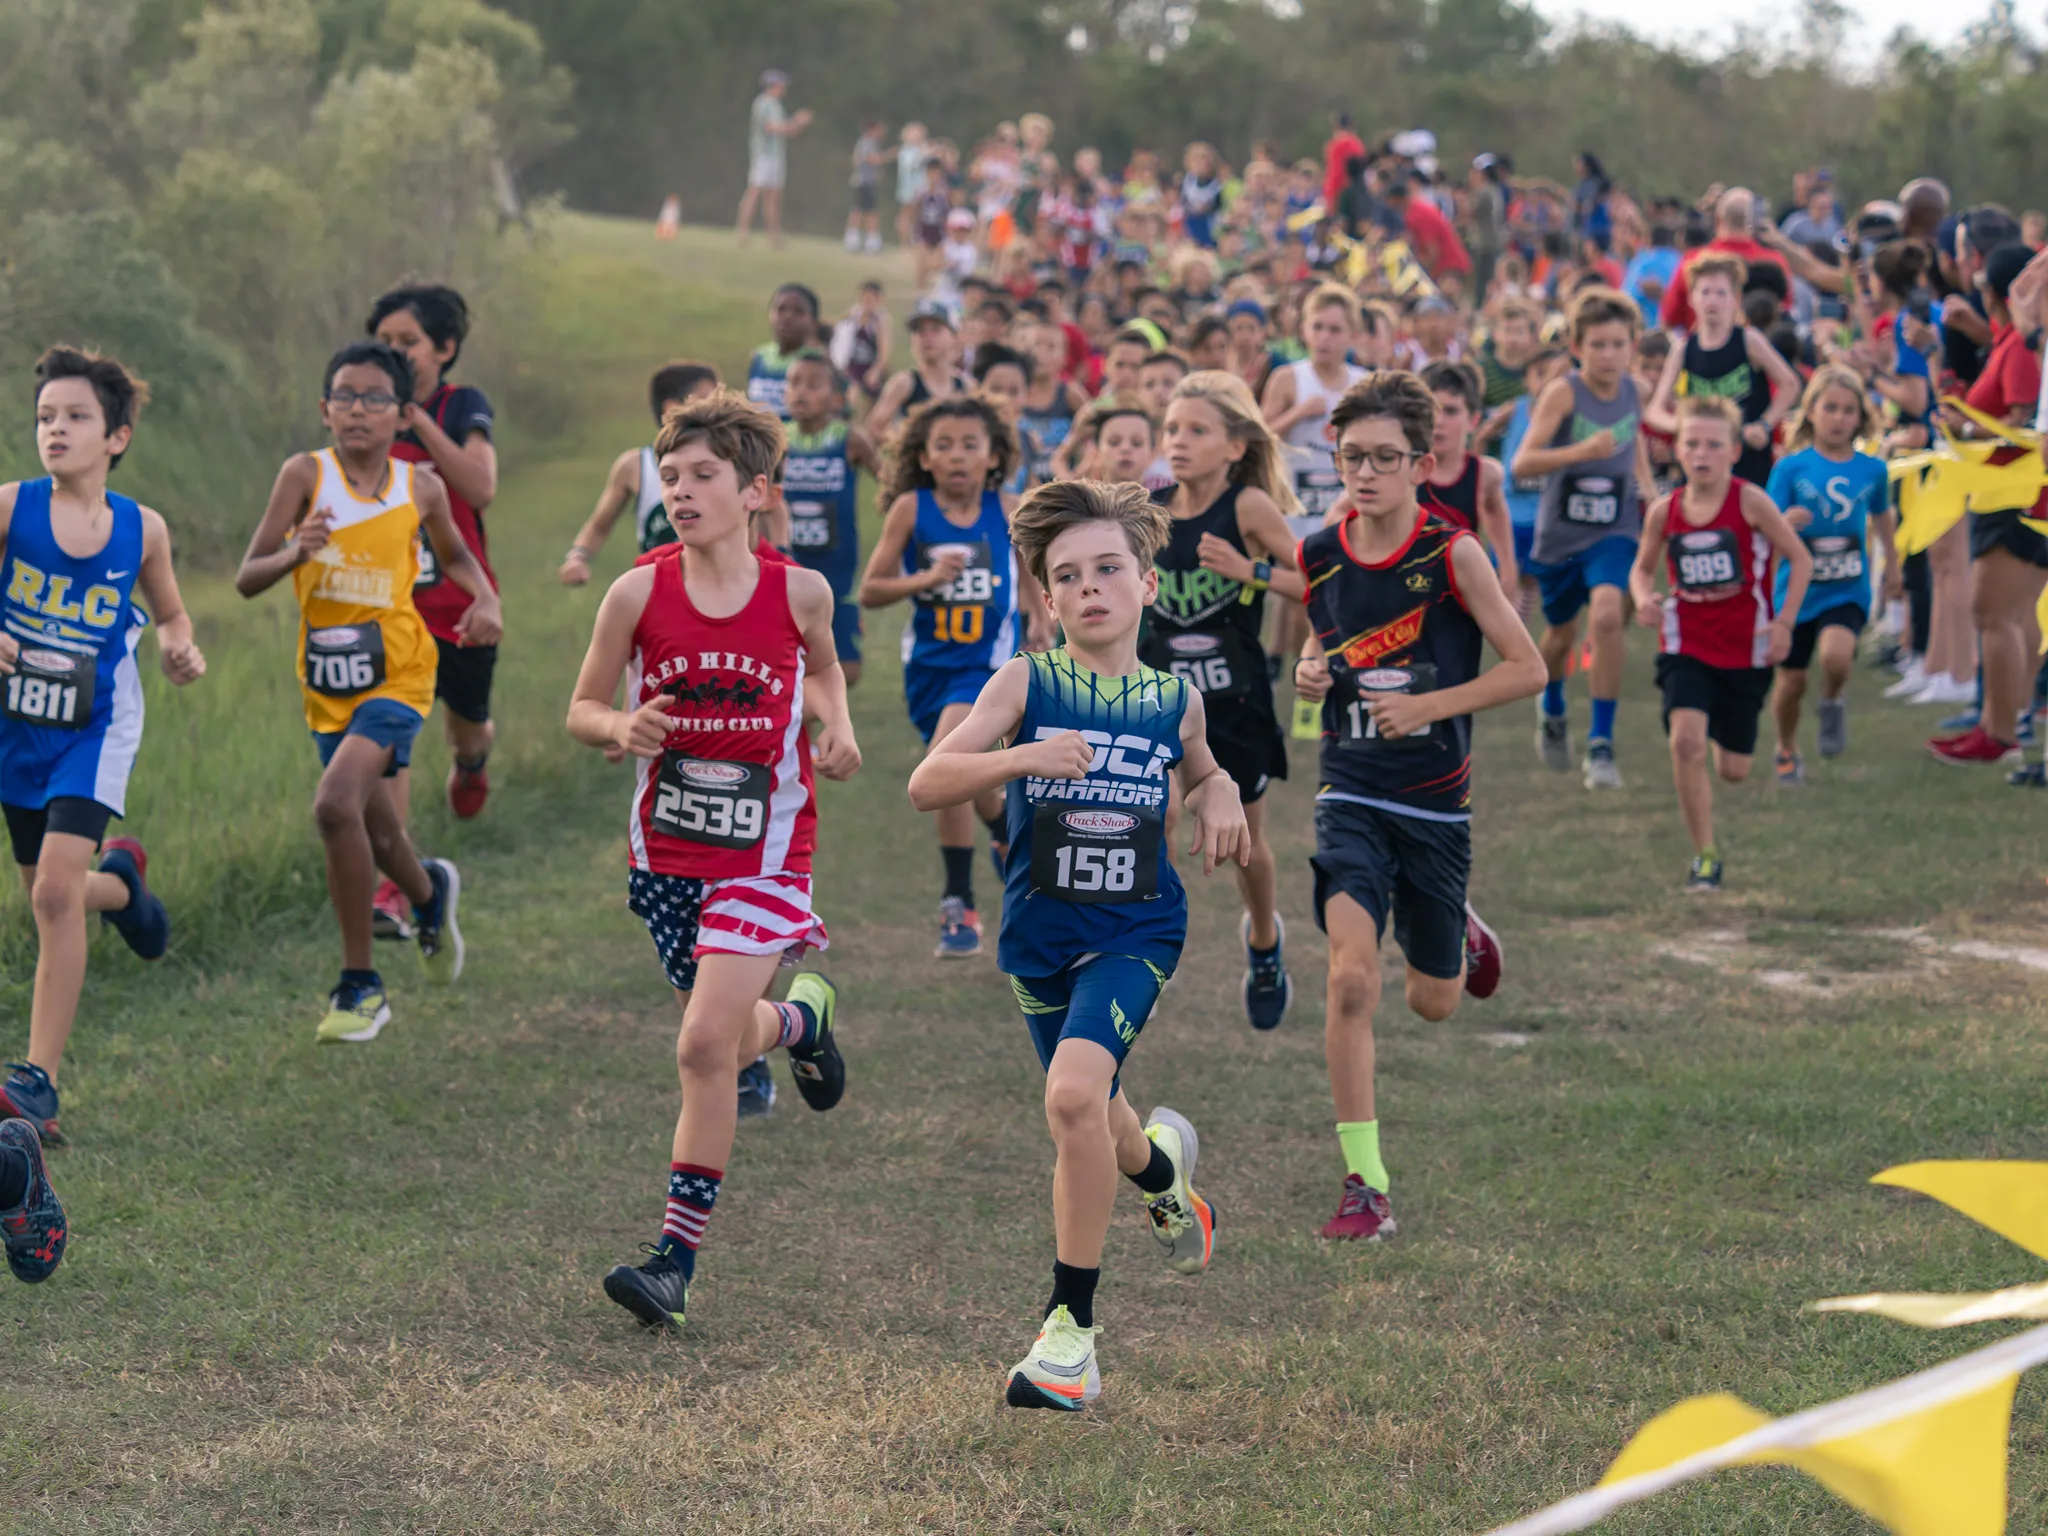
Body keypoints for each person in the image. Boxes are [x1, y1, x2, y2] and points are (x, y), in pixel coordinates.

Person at [906, 478, 1244, 1411]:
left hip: (1138, 930)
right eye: (1068, 576)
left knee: (1069, 1098)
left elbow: (1207, 770)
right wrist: (1020, 757)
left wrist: (1217, 795)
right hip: (1040, 938)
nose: (1090, 587)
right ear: (1048, 600)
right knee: (1096, 1113)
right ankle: (1167, 1178)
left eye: (1109, 568)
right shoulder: (1027, 681)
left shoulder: (1174, 701)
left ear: (1146, 583)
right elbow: (928, 783)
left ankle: (1070, 1336)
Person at [568, 390, 859, 1331]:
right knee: (726, 1033)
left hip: (768, 855)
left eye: (703, 477)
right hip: (666, 857)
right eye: (671, 477)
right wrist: (622, 722)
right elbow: (582, 707)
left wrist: (837, 724)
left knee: (701, 1047)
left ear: (756, 492)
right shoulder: (638, 592)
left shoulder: (798, 592)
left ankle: (672, 1264)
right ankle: (799, 1023)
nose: (682, 492)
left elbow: (820, 665)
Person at [1293, 372, 1543, 1241]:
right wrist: (1310, 670)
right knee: (1351, 977)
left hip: (1435, 802)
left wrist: (1430, 709)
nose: (1365, 474)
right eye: (1350, 457)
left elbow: (1529, 668)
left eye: (1384, 459)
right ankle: (1365, 1182)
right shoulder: (1317, 551)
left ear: (1422, 465)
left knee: (1434, 1001)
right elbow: (1322, 643)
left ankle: (1462, 931)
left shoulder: (1453, 553)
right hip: (1350, 788)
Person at [234, 341, 501, 1040]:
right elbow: (247, 574)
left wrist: (486, 600)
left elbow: (456, 556)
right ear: (324, 411)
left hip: (401, 674)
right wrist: (298, 549)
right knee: (377, 828)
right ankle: (427, 892)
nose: (359, 409)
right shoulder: (303, 476)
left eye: (375, 398)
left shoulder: (422, 486)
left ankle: (360, 987)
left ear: (400, 415)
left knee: (332, 807)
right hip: (327, 682)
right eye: (345, 396)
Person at [0, 347, 205, 1145]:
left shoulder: (141, 530)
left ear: (116, 436)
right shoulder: (12, 509)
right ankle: (122, 885)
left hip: (97, 726)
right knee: (51, 893)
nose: (56, 429)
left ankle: (35, 1085)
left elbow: (174, 614)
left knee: (53, 894)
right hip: (17, 726)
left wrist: (179, 647)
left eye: (75, 417)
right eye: (46, 417)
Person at [1141, 372, 1305, 1030]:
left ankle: (1264, 943)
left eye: (1197, 431)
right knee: (1152, 821)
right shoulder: (1145, 507)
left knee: (1247, 847)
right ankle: (1141, 952)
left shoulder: (1247, 510)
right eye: (1172, 429)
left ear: (1236, 446)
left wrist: (1250, 571)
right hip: (1156, 702)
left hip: (1235, 704)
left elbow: (1316, 584)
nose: (1178, 442)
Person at [859, 397, 1043, 957]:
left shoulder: (1010, 507)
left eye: (970, 444)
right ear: (923, 456)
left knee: (947, 764)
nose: (958, 455)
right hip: (928, 673)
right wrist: (926, 579)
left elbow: (1028, 577)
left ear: (994, 456)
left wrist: (1038, 621)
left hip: (987, 668)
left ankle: (958, 904)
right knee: (968, 781)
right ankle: (1006, 834)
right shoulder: (912, 511)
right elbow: (870, 590)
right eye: (944, 445)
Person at [1629, 396, 1810, 892]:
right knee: (1685, 742)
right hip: (1685, 642)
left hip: (1745, 649)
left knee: (1734, 769)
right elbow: (1642, 569)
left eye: (1713, 444)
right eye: (1692, 444)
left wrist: (1784, 624)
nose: (1701, 454)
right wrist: (1644, 598)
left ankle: (1717, 733)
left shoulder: (1750, 501)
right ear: (1677, 451)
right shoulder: (1665, 512)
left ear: (1734, 451)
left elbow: (1800, 559)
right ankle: (1705, 856)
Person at [367, 283, 500, 835]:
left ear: (443, 348)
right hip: (386, 609)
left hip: (460, 606)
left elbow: (479, 488)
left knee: (465, 728)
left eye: (409, 340)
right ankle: (397, 881)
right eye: (384, 340)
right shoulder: (364, 413)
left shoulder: (461, 405)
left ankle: (472, 760)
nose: (396, 351)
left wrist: (416, 420)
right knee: (387, 741)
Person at [1513, 289, 1657, 789]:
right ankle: (1551, 705)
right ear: (1577, 345)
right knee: (1559, 639)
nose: (1609, 355)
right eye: (1598, 344)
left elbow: (1633, 438)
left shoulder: (1635, 391)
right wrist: (1579, 451)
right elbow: (1522, 462)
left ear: (1633, 345)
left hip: (1614, 530)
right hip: (1561, 536)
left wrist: (1650, 488)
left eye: (1618, 344)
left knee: (1609, 614)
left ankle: (1601, 744)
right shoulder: (1564, 394)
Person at [1930, 241, 2048, 765]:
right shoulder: (2012, 343)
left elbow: (2023, 421)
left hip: (2016, 496)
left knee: (1995, 612)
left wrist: (1968, 427)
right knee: (2005, 614)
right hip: (2002, 492)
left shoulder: (2023, 348)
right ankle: (2001, 726)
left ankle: (2002, 732)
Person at [1765, 367, 1887, 783]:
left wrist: (1895, 566)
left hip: (1847, 584)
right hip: (1797, 590)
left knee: (1836, 657)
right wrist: (1785, 521)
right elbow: (1764, 522)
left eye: (1848, 410)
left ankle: (1833, 698)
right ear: (1812, 412)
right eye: (1830, 407)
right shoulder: (1790, 468)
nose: (1838, 417)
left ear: (1860, 418)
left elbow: (1882, 516)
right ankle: (1786, 748)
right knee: (1792, 680)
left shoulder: (1872, 470)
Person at [1647, 255, 1799, 490]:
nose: (1713, 301)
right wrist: (1684, 425)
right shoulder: (1684, 348)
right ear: (1691, 298)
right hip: (1701, 464)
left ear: (1735, 300)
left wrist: (1764, 425)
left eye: (1721, 293)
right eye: (1705, 292)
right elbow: (1654, 410)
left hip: (1748, 462)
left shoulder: (1748, 340)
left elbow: (1790, 385)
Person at [561, 362, 721, 583]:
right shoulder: (635, 467)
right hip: (660, 593)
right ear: (672, 409)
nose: (720, 411)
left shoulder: (728, 464)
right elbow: (599, 526)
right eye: (709, 400)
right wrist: (577, 558)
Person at [782, 352, 882, 689]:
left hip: (839, 571)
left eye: (812, 384)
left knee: (847, 670)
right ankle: (801, 736)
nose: (800, 392)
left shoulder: (850, 439)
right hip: (788, 568)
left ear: (836, 398)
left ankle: (804, 724)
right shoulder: (777, 441)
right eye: (794, 383)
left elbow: (889, 484)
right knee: (790, 663)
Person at [1261, 283, 1370, 546]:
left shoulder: (1364, 383)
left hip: (1346, 515)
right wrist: (1298, 413)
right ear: (1304, 330)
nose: (1324, 337)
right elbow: (1259, 440)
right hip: (1294, 517)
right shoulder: (1288, 378)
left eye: (1334, 330)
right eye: (1318, 327)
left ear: (1353, 336)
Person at [1416, 361, 1519, 595]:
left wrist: (1507, 567)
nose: (1438, 422)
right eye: (1430, 410)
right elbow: (1343, 511)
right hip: (1405, 599)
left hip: (1459, 595)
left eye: (1450, 411)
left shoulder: (1484, 474)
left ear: (1473, 420)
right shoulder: (1399, 469)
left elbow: (1495, 510)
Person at [1497, 345, 1570, 616]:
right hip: (1510, 514)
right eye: (1540, 373)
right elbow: (1482, 435)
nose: (1547, 380)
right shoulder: (1514, 410)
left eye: (1554, 375)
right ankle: (1504, 627)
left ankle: (1519, 627)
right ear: (1526, 377)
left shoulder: (1564, 415)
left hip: (1544, 515)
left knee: (1530, 578)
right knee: (1504, 574)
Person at [1659, 188, 1792, 333]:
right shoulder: (1775, 262)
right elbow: (1786, 310)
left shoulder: (1694, 262)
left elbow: (1669, 318)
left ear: (1718, 219)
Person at [866, 300, 970, 440]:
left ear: (955, 336)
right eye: (919, 331)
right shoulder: (905, 383)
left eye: (935, 329)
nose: (927, 337)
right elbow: (874, 428)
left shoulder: (966, 385)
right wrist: (908, 444)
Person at [736, 70, 812, 247]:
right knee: (755, 192)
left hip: (777, 155)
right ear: (773, 85)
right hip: (763, 155)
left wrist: (799, 124)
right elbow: (771, 128)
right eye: (781, 85)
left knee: (773, 196)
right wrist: (795, 120)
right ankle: (743, 231)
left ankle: (773, 236)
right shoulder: (762, 104)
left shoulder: (777, 105)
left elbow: (787, 131)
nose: (784, 88)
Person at [746, 284, 821, 421]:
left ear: (814, 323)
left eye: (798, 312)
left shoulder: (817, 363)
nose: (787, 317)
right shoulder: (759, 356)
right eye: (781, 309)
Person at [846, 116, 887, 253]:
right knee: (865, 211)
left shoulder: (868, 143)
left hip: (866, 181)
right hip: (863, 182)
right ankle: (863, 240)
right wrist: (888, 156)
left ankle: (862, 239)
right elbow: (871, 159)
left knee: (866, 210)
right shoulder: (866, 142)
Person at [894, 122, 929, 248]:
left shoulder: (919, 150)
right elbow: (911, 167)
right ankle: (904, 242)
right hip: (908, 187)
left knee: (916, 215)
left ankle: (914, 239)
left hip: (919, 187)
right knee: (906, 214)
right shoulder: (906, 150)